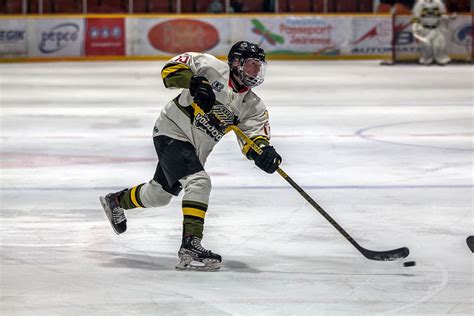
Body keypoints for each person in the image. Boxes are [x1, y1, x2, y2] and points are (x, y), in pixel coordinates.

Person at [99, 41, 282, 271]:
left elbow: (255, 139)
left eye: (259, 67)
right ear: (237, 63)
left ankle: (116, 201)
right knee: (199, 182)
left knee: (159, 195)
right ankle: (191, 244)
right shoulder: (209, 66)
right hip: (171, 130)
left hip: (195, 149)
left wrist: (263, 153)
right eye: (252, 66)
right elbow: (170, 70)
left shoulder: (253, 106)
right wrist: (194, 83)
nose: (256, 72)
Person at [411, 0, 451, 65]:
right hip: (424, 28)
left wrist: (449, 18)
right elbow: (415, 16)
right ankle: (427, 60)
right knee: (426, 45)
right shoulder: (420, 3)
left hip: (436, 28)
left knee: (438, 45)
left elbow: (442, 15)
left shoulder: (438, 3)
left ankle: (441, 60)